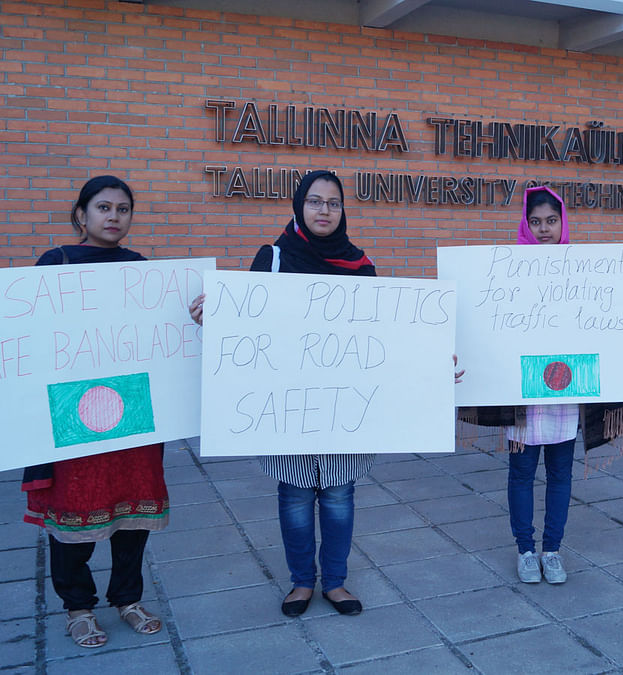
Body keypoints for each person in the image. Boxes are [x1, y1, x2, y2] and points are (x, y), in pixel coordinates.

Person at [190, 170, 376, 618]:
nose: (324, 211)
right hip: (286, 402)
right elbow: (249, 326)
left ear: (343, 209)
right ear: (299, 205)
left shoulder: (361, 263)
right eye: (314, 201)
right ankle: (300, 583)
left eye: (333, 203)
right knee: (294, 495)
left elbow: (378, 335)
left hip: (339, 403)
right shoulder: (273, 258)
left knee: (337, 495)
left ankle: (335, 582)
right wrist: (214, 320)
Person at [22, 176, 167, 648]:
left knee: (131, 515)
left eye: (123, 209)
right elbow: (31, 334)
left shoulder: (141, 271)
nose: (114, 217)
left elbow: (157, 338)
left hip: (131, 413)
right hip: (73, 414)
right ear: (81, 215)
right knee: (74, 515)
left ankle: (128, 598)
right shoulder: (55, 265)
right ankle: (78, 607)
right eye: (103, 208)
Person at [458, 185, 623, 585]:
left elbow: (611, 314)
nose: (544, 229)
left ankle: (552, 550)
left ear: (563, 222)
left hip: (566, 392)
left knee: (560, 474)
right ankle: (525, 549)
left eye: (551, 221)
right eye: (535, 222)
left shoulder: (585, 270)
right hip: (525, 398)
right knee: (520, 473)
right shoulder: (506, 271)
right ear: (525, 224)